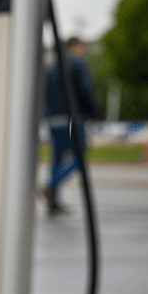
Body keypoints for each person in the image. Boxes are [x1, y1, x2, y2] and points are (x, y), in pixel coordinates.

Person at [43, 36, 101, 215]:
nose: (83, 51)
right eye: (82, 47)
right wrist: (95, 113)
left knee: (58, 158)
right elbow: (86, 89)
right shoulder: (76, 63)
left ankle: (54, 202)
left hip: (53, 118)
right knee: (79, 156)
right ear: (75, 46)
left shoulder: (50, 65)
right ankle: (51, 185)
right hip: (73, 117)